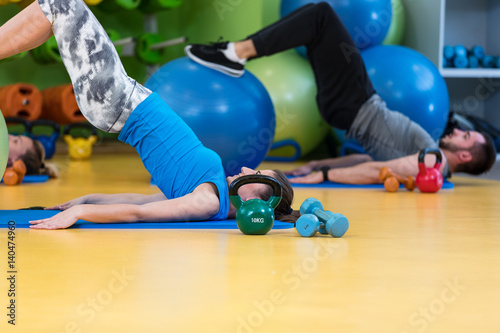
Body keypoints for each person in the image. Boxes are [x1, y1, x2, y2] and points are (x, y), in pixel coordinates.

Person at [0, 0, 297, 229]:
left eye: (257, 177)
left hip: (117, 101)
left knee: (63, 5)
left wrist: (80, 214)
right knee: (58, 14)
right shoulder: (213, 190)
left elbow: (138, 213)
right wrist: (85, 200)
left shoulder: (206, 202)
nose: (247, 170)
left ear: (260, 205)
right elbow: (140, 199)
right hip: (125, 97)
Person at [185, 2, 497, 184]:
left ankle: (235, 52)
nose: (458, 131)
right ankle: (235, 52)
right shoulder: (427, 163)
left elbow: (379, 171)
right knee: (317, 28)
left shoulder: (433, 161)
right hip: (352, 106)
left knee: (320, 16)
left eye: (466, 138)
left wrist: (323, 178)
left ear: (465, 155)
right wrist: (321, 166)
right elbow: (373, 157)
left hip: (357, 103)